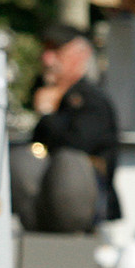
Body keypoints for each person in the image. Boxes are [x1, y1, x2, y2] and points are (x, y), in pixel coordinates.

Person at [32, 21, 121, 224]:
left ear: (81, 56)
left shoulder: (91, 101)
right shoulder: (51, 94)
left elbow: (74, 150)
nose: (47, 59)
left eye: (56, 51)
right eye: (45, 51)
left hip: (89, 212)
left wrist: (48, 115)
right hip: (50, 207)